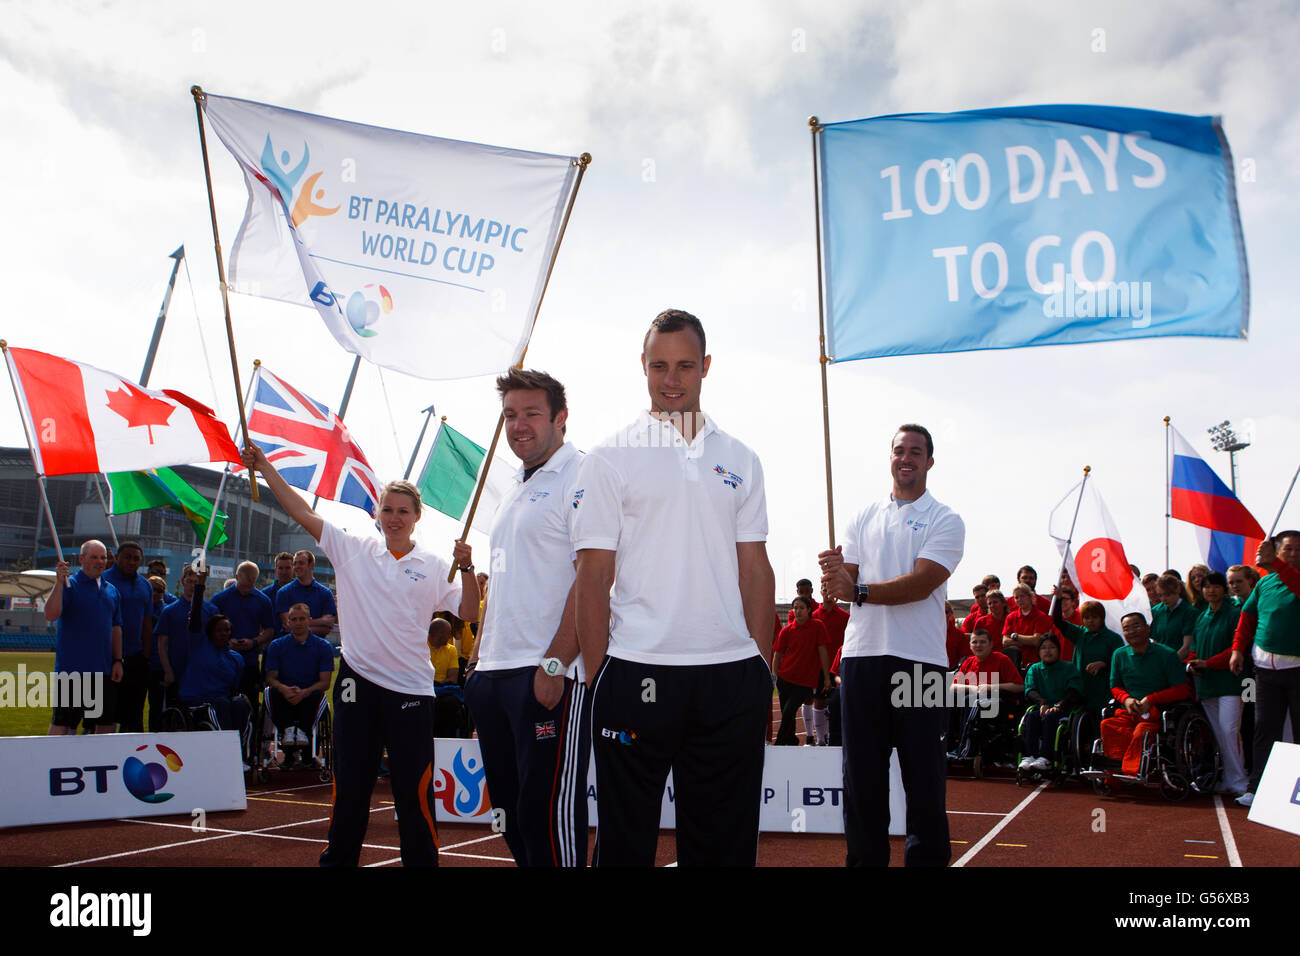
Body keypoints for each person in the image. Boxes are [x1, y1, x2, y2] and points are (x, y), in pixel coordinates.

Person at [574, 308, 774, 867]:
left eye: (685, 365)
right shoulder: (610, 456)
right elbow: (592, 575)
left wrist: (761, 669)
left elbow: (755, 567)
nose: (671, 379)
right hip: (635, 671)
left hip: (729, 677)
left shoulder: (741, 458)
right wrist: (599, 676)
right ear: (642, 365)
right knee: (623, 844)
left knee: (724, 849)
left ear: (706, 367)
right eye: (659, 365)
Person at [242, 442, 479, 867]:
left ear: (417, 517)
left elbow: (468, 610)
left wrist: (465, 568)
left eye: (403, 511)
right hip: (357, 683)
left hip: (411, 690)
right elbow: (302, 511)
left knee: (414, 789)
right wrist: (264, 468)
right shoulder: (352, 548)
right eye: (388, 509)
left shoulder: (433, 563)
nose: (394, 518)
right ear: (377, 514)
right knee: (350, 785)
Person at [820, 423, 965, 868]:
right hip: (863, 659)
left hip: (920, 666)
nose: (906, 458)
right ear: (890, 457)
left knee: (924, 780)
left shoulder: (946, 519)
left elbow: (921, 583)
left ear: (929, 461)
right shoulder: (863, 516)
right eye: (899, 450)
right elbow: (847, 584)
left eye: (915, 451)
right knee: (861, 780)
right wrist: (836, 577)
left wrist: (858, 591)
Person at [463, 367, 590, 868]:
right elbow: (501, 583)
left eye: (531, 413)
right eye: (510, 415)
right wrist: (476, 665)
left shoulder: (582, 474)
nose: (519, 425)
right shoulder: (513, 487)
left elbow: (592, 578)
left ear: (560, 418)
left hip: (546, 672)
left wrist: (556, 665)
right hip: (494, 674)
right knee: (510, 813)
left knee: (548, 813)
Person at [1229, 533, 1300, 806]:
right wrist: (1237, 649)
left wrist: (1275, 564)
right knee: (1264, 730)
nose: (1293, 553)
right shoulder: (1265, 583)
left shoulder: (1292, 577)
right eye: (1288, 549)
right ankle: (1257, 788)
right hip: (1264, 671)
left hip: (1297, 670)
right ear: (1278, 551)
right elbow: (1247, 618)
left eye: (1297, 549)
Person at [1099, 612, 1191, 775]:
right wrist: (1126, 699)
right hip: (1128, 710)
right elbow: (1115, 686)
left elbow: (1182, 689)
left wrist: (1151, 699)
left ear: (1148, 629)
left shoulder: (1167, 654)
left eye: (1137, 626)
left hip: (1157, 712)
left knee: (1142, 731)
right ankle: (1113, 773)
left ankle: (1129, 772)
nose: (1132, 632)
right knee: (1108, 725)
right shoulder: (1119, 654)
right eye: (1126, 629)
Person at [45, 540, 122, 734]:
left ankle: (100, 763)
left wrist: (118, 660)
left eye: (103, 557)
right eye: (94, 557)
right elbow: (51, 614)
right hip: (73, 671)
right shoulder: (70, 586)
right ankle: (52, 762)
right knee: (63, 725)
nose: (99, 561)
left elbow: (116, 628)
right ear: (82, 559)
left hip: (103, 671)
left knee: (104, 725)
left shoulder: (112, 591)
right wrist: (59, 583)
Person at [1186, 571, 1248, 795]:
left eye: (1216, 586)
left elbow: (1236, 648)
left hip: (1230, 683)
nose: (1211, 590)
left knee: (1230, 730)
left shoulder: (1234, 614)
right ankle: (1229, 778)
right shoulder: (1201, 617)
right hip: (1206, 685)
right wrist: (1192, 662)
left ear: (1225, 589)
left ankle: (1240, 781)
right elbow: (1195, 647)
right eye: (1206, 586)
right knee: (1220, 734)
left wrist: (1209, 663)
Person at [178, 613, 251, 759]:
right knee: (220, 704)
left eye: (227, 630)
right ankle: (227, 751)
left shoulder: (236, 658)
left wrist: (241, 696)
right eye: (219, 630)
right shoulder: (198, 647)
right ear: (211, 632)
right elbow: (194, 624)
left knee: (240, 704)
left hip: (222, 699)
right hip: (197, 698)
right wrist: (198, 591)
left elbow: (234, 688)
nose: (224, 634)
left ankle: (242, 752)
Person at [102, 540, 154, 734]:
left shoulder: (145, 586)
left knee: (133, 717)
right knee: (102, 716)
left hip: (135, 658)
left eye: (136, 559)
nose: (131, 562)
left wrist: (145, 656)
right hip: (105, 659)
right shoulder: (103, 580)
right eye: (127, 557)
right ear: (116, 558)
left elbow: (147, 623)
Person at [265, 602, 335, 747]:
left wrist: (304, 692)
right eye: (294, 620)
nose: (298, 623)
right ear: (288, 622)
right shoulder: (277, 645)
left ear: (309, 621)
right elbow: (270, 677)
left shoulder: (323, 647)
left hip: (309, 694)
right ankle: (287, 731)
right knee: (271, 692)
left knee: (318, 694)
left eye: (302, 619)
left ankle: (304, 732)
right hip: (284, 694)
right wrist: (284, 689)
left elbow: (325, 682)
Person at [208, 561, 276, 709]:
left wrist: (254, 642)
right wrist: (227, 642)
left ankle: (249, 731)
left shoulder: (263, 601)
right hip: (223, 660)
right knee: (222, 702)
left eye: (251, 584)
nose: (247, 588)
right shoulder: (220, 599)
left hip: (249, 662)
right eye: (244, 584)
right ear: (236, 577)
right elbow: (209, 629)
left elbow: (269, 630)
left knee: (249, 704)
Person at [1020, 632, 1085, 771]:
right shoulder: (1035, 669)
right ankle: (1030, 756)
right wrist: (1042, 703)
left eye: (1052, 647)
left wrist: (1060, 705)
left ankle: (1046, 757)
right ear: (1039, 652)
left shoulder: (1069, 668)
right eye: (1043, 647)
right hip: (1043, 707)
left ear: (1058, 650)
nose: (1047, 651)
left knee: (1050, 718)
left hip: (1064, 710)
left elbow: (1074, 691)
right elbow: (1030, 690)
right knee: (1031, 716)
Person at [772, 595, 831, 745]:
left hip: (804, 681)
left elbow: (823, 652)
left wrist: (826, 677)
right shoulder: (786, 631)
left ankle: (779, 743)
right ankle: (791, 740)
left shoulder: (818, 627)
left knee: (788, 712)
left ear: (809, 609)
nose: (798, 611)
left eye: (801, 608)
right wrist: (775, 676)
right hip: (785, 679)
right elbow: (777, 656)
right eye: (795, 608)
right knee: (789, 714)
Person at [155, 564, 217, 708]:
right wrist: (168, 671)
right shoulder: (170, 611)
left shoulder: (211, 610)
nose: (192, 586)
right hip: (177, 670)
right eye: (189, 581)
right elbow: (161, 644)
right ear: (183, 581)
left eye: (196, 582)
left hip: (201, 672)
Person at [1052, 599, 1123, 714]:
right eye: (1086, 617)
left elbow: (1122, 664)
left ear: (1102, 618)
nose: (1090, 621)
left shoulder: (1113, 639)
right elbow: (1058, 621)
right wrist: (1058, 598)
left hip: (1104, 693)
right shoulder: (1079, 634)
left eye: (1094, 617)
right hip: (1082, 692)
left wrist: (1104, 664)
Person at [274, 550, 337, 638]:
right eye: (295, 563)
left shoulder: (325, 593)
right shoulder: (284, 593)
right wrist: (321, 622)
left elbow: (328, 627)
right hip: (290, 649)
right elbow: (288, 625)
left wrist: (298, 626)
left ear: (311, 565)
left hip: (316, 649)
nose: (297, 567)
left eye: (301, 563)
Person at [1002, 583, 1058, 669]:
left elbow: (1036, 640)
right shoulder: (1011, 617)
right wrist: (1025, 641)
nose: (1020, 600)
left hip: (1035, 663)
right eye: (1016, 597)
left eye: (1022, 596)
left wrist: (1015, 636)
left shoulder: (1041, 616)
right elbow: (1005, 641)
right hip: (1016, 664)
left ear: (1030, 596)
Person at [1150, 572, 1197, 660]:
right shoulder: (1156, 611)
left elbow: (1187, 646)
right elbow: (1155, 641)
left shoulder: (1189, 612)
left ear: (1178, 590)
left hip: (1179, 662)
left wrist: (1171, 663)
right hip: (1160, 661)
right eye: (1160, 595)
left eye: (1168, 594)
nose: (1164, 599)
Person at [261, 551, 295, 639]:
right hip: (271, 646)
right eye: (280, 568)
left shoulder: (302, 592)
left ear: (293, 569)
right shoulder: (264, 595)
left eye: (287, 568)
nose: (284, 572)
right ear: (275, 569)